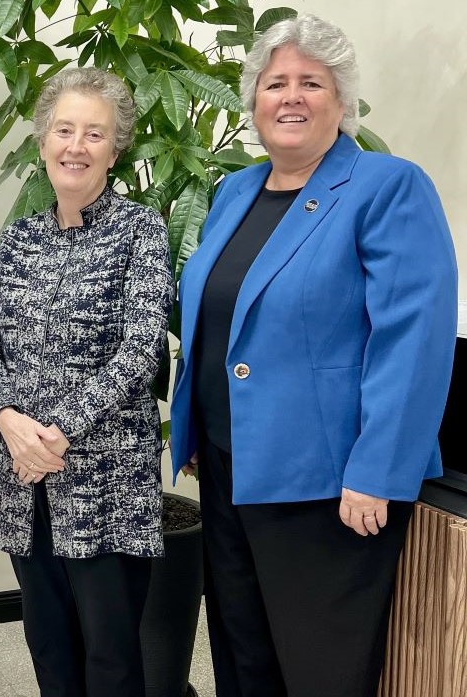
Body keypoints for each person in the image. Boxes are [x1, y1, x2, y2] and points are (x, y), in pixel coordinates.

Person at [170, 14, 458, 697]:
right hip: (227, 465)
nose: (290, 97)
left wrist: (377, 469)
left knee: (319, 668)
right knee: (242, 654)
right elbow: (216, 320)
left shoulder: (387, 186)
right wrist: (190, 427)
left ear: (341, 101)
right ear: (254, 103)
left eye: (311, 82)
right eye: (275, 84)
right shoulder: (233, 191)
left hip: (328, 484)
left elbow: (412, 339)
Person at [0, 67, 173, 697]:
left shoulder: (141, 231)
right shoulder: (20, 237)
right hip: (21, 483)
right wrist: (7, 420)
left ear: (116, 149)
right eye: (64, 130)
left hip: (104, 486)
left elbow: (140, 351)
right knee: (49, 648)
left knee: (111, 658)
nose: (75, 146)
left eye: (94, 133)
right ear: (42, 142)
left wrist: (55, 435)